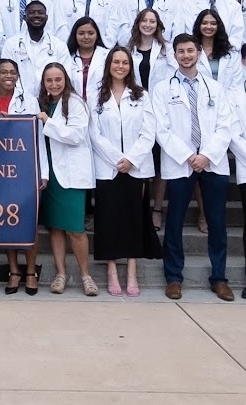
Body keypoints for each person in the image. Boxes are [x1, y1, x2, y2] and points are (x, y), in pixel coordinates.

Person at [157, 35, 234, 301]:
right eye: (181, 51)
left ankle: (219, 278)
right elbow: (162, 129)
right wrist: (189, 155)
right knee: (174, 222)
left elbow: (226, 126)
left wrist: (207, 155)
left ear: (199, 52)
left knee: (217, 223)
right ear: (174, 55)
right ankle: (173, 278)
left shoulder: (215, 88)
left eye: (190, 50)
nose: (186, 55)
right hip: (181, 162)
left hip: (212, 162)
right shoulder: (163, 89)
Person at [90, 46, 158, 298]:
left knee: (133, 218)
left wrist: (131, 159)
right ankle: (111, 270)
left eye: (125, 62)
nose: (120, 66)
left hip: (135, 168)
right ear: (108, 65)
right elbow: (94, 133)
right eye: (116, 62)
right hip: (107, 167)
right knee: (109, 219)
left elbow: (148, 132)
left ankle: (131, 272)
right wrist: (117, 159)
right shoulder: (96, 96)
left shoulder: (141, 95)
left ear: (131, 66)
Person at [33, 62, 96, 296]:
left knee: (75, 229)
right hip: (49, 172)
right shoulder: (41, 103)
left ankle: (85, 276)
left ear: (65, 80)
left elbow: (76, 135)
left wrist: (48, 122)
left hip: (70, 174)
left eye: (58, 79)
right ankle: (60, 274)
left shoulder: (76, 103)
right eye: (49, 80)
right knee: (55, 227)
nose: (54, 84)